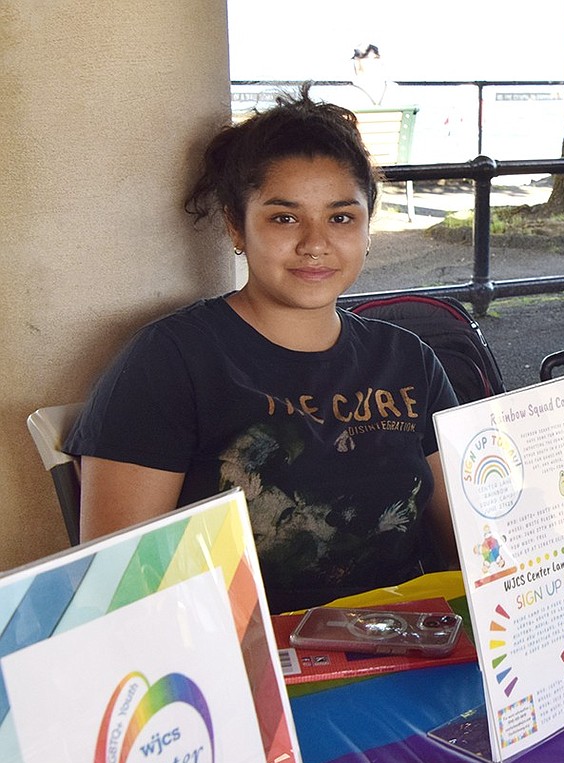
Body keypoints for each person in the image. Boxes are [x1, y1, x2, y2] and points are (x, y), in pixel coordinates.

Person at [64, 85, 460, 612]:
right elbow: (120, 591)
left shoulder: (408, 360)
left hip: (411, 643)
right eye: (284, 217)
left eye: (341, 217)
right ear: (236, 225)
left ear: (368, 228)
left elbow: (473, 544)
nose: (315, 242)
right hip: (246, 665)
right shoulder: (173, 362)